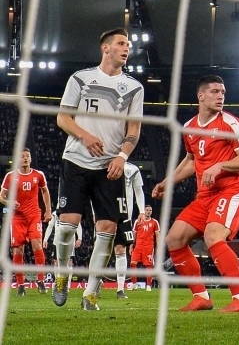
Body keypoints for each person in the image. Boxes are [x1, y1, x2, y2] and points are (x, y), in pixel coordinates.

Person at [53, 28, 144, 310]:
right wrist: (86, 135)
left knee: (107, 228)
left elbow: (134, 129)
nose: (126, 48)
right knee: (67, 226)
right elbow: (63, 118)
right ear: (105, 48)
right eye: (121, 43)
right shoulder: (81, 78)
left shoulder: (134, 87)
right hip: (77, 159)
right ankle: (61, 275)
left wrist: (121, 156)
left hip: (110, 167)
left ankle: (90, 293)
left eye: (128, 44)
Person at [152, 75, 239, 313]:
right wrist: (167, 182)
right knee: (174, 239)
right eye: (215, 92)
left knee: (213, 236)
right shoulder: (189, 127)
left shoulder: (230, 123)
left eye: (223, 92)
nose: (220, 96)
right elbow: (191, 161)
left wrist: (221, 166)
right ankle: (201, 297)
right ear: (201, 96)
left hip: (231, 190)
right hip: (204, 197)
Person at [1, 148, 52, 295]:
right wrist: (8, 202)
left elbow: (45, 191)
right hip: (17, 217)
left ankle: (41, 281)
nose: (25, 158)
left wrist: (48, 210)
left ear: (30, 159)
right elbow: (1, 196)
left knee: (37, 246)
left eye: (27, 156)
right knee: (18, 250)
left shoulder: (38, 175)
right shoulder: (10, 176)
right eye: (22, 156)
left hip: (34, 216)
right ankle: (21, 285)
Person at [109, 161, 145, 299]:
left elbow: (139, 190)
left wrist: (142, 211)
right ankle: (95, 284)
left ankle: (120, 289)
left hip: (125, 217)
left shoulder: (133, 169)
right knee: (103, 251)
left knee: (121, 250)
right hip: (106, 215)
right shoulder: (104, 165)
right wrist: (95, 212)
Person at [130, 205, 160, 291]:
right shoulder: (138, 221)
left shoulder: (154, 222)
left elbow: (158, 235)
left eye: (150, 210)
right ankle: (134, 284)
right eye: (147, 210)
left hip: (148, 247)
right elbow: (134, 234)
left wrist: (158, 248)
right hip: (138, 246)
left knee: (148, 266)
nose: (149, 212)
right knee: (133, 263)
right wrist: (131, 245)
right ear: (144, 211)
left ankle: (148, 286)